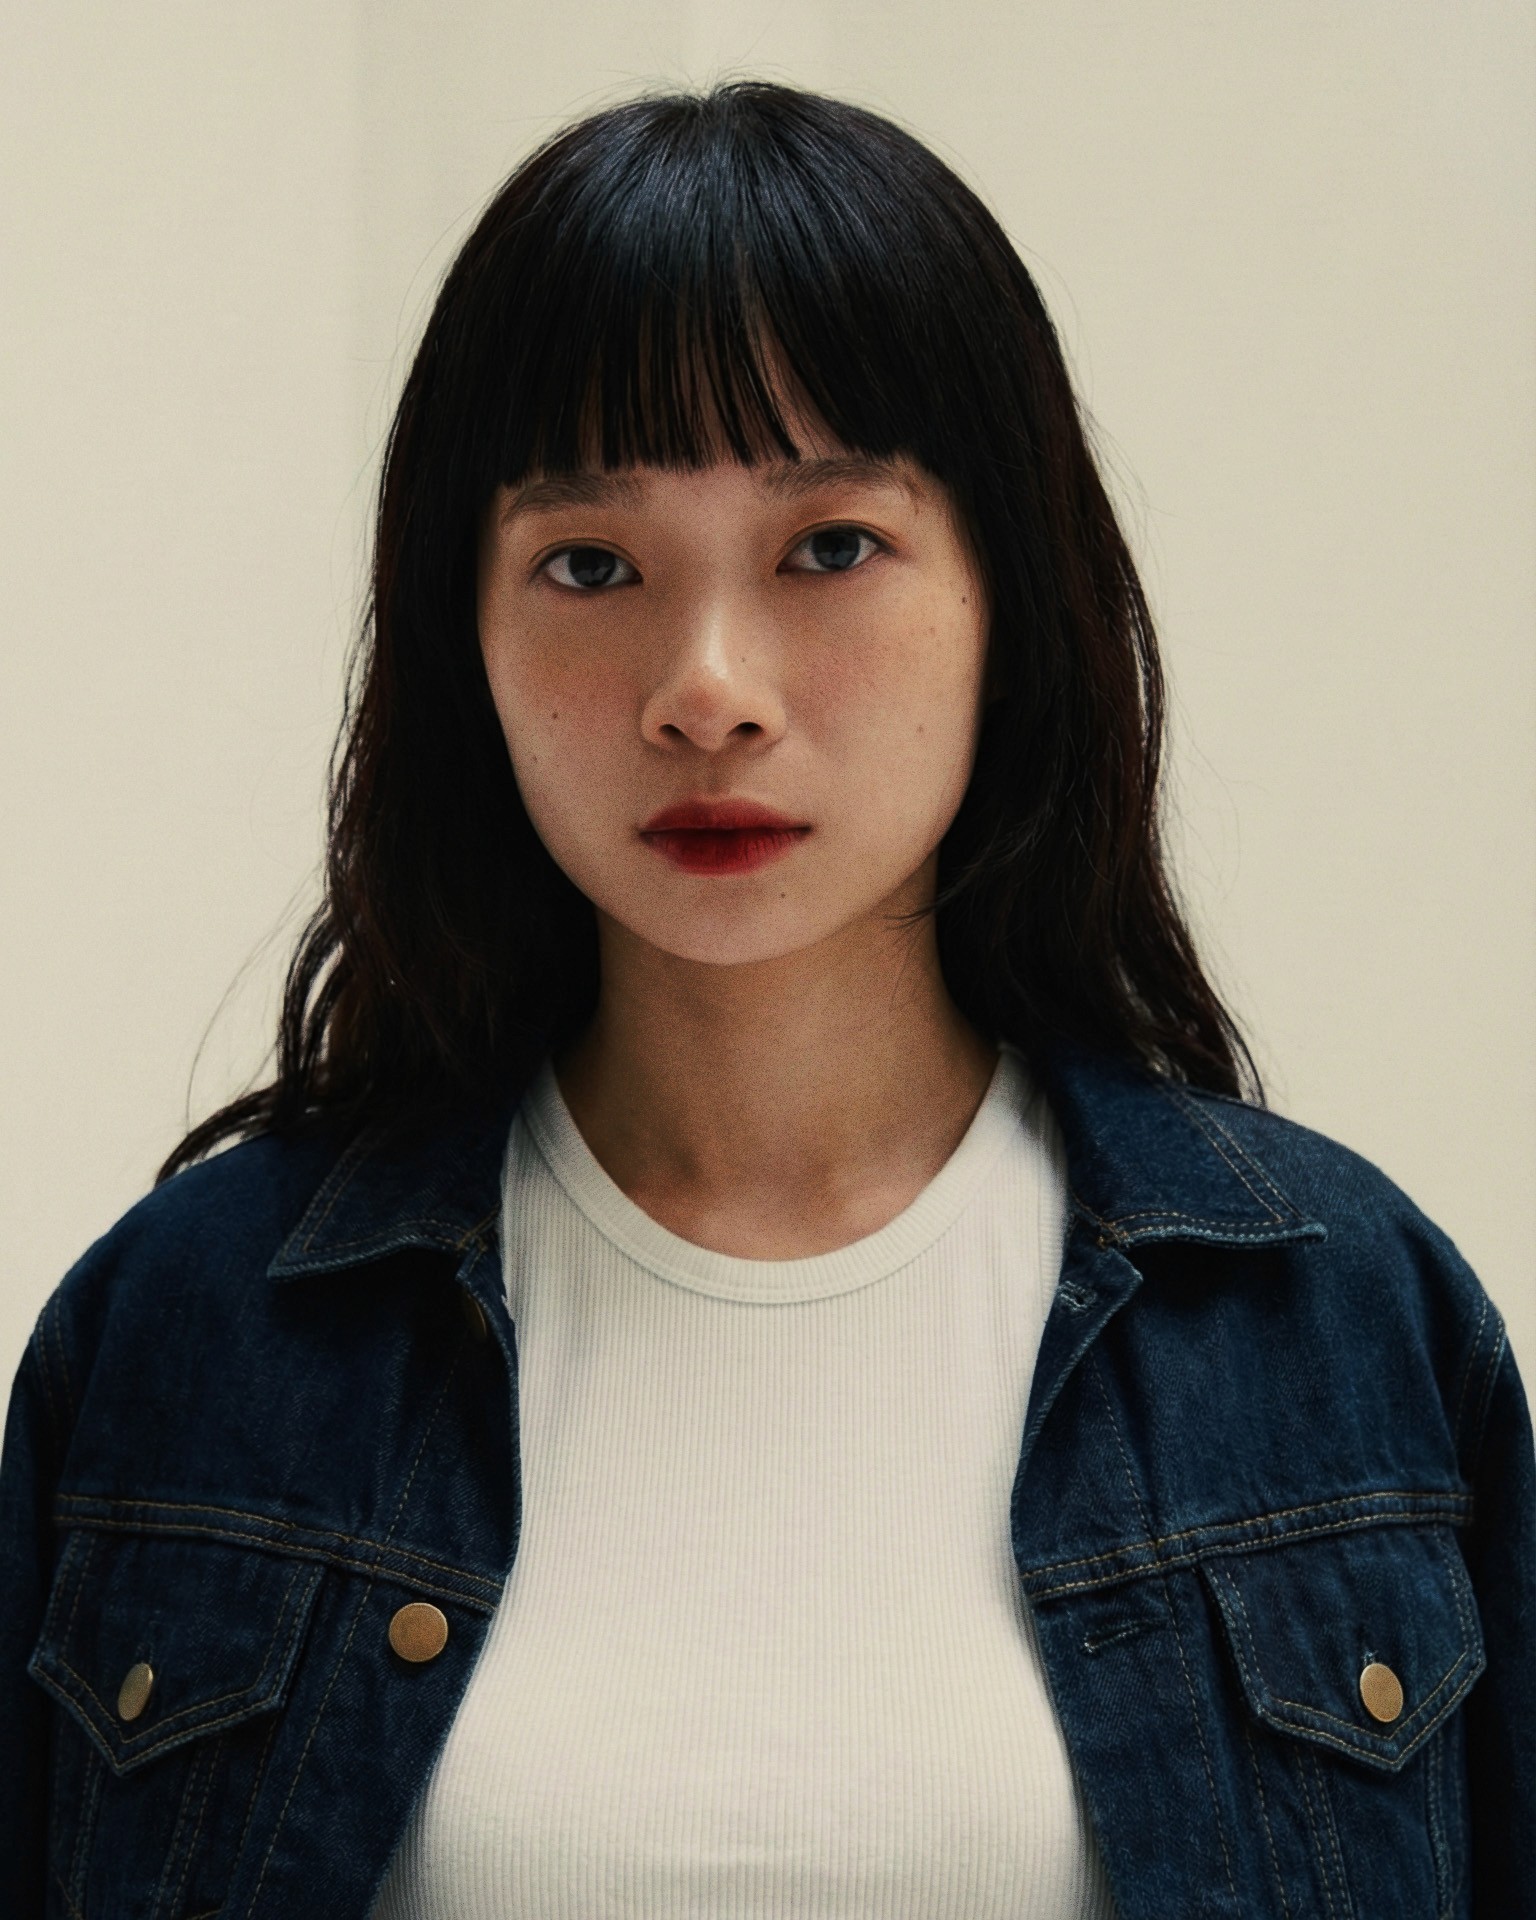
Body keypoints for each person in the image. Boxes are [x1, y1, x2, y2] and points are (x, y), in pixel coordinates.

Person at [1, 76, 1530, 1920]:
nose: (705, 688)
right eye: (590, 564)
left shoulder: (1343, 1328)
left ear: (1008, 601)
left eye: (830, 548)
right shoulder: (186, 1339)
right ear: (462, 634)